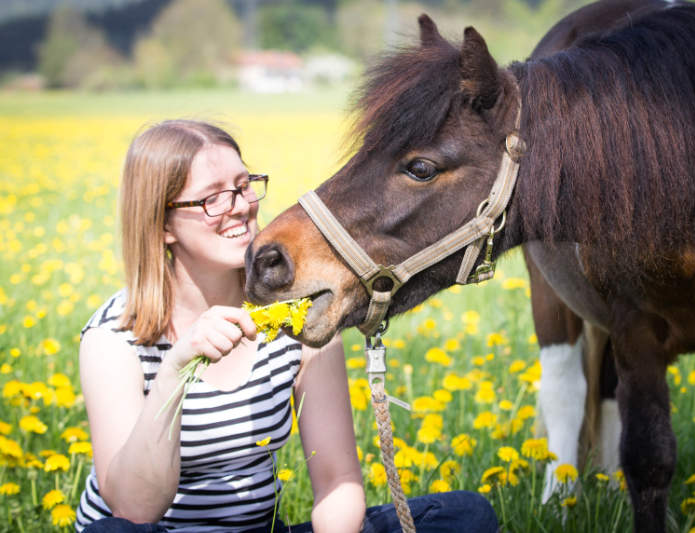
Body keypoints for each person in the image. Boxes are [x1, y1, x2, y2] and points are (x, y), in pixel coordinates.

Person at [77, 119, 498, 533]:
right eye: (213, 199)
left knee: (465, 515)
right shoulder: (113, 338)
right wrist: (173, 372)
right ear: (163, 223)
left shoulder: (300, 316)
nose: (241, 206)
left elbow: (337, 481)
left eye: (244, 186)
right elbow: (134, 509)